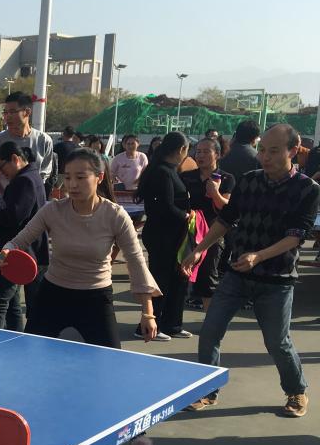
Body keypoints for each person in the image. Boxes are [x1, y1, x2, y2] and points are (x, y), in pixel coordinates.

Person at [3, 148, 161, 445]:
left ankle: (137, 433)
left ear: (98, 177)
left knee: (113, 369)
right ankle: (18, 424)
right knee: (30, 361)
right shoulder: (53, 210)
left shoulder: (114, 215)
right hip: (53, 295)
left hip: (95, 298)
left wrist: (148, 312)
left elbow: (136, 262)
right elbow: (20, 240)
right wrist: (6, 251)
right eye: (67, 177)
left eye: (80, 177)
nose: (72, 184)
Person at [182, 125, 319, 418]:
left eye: (274, 151)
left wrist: (259, 256)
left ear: (293, 151)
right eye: (263, 150)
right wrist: (199, 249)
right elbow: (226, 219)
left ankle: (296, 390)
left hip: (277, 280)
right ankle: (207, 390)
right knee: (209, 332)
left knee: (277, 342)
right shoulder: (249, 180)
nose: (265, 157)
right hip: (237, 274)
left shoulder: (308, 189)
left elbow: (296, 236)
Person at [0, 141, 47, 330]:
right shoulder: (32, 176)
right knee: (12, 304)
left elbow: (14, 216)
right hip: (26, 250)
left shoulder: (24, 181)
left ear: (15, 159)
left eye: (2, 167)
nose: (1, 173)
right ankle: (15, 337)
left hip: (18, 252)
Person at [136, 131, 192, 341]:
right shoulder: (162, 172)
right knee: (161, 280)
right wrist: (186, 215)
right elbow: (165, 206)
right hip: (162, 234)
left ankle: (172, 324)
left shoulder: (170, 170)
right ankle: (149, 324)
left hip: (174, 235)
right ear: (181, 149)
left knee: (178, 279)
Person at [181, 139, 234, 311]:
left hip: (213, 231)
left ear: (217, 155)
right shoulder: (186, 177)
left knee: (208, 275)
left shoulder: (226, 178)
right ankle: (173, 318)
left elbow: (227, 208)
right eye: (198, 151)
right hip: (188, 229)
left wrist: (215, 193)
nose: (200, 155)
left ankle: (209, 320)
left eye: (206, 151)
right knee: (181, 273)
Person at [0, 93, 54, 199]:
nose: (8, 116)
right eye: (5, 112)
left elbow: (43, 175)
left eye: (12, 112)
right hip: (3, 204)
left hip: (31, 202)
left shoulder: (44, 141)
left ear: (27, 112)